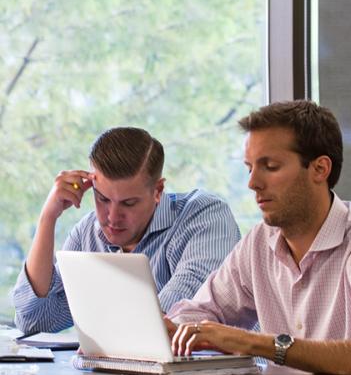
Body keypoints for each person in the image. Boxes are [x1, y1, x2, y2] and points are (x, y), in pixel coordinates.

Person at [166, 101, 351, 375]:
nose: (252, 183)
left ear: (319, 169)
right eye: (250, 168)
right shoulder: (259, 243)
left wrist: (254, 343)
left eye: (270, 166)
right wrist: (173, 330)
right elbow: (200, 314)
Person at [13, 127, 240, 334]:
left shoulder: (204, 215)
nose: (112, 217)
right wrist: (48, 218)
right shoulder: (88, 235)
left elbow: (180, 311)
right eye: (102, 199)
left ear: (158, 190)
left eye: (128, 203)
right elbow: (33, 322)